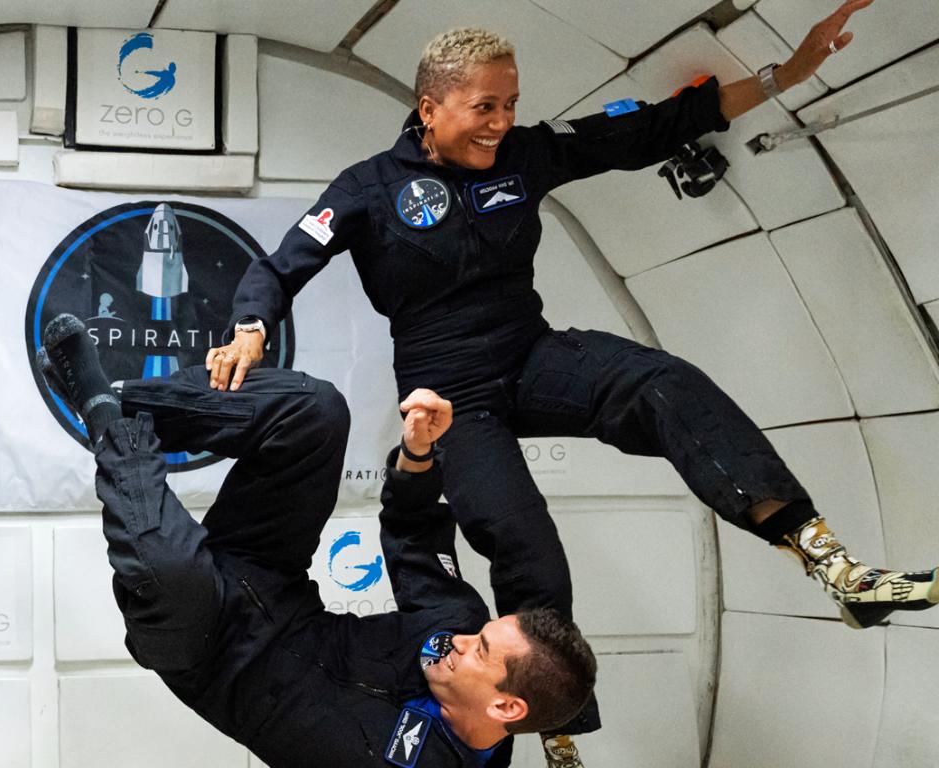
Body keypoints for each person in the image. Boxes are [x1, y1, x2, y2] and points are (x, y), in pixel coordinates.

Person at [206, 3, 933, 761]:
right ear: (430, 107)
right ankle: (557, 734)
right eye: (485, 106)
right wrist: (251, 325)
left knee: (663, 382)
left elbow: (652, 127)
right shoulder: (367, 187)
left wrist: (787, 75)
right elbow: (281, 265)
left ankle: (830, 564)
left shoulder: (526, 154)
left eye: (511, 104)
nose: (501, 122)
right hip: (451, 396)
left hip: (533, 355)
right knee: (527, 547)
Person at [38, 314, 595, 768]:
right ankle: (126, 402)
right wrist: (418, 454)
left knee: (168, 566)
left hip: (204, 649)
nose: (463, 641)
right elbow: (413, 534)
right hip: (270, 581)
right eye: (481, 634)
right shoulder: (454, 629)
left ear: (505, 706)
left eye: (482, 652)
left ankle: (100, 409)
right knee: (318, 411)